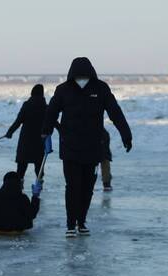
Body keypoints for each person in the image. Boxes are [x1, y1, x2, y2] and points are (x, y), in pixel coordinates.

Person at [42, 57, 132, 237]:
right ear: (72, 75)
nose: (81, 79)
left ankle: (81, 222)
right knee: (72, 186)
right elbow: (51, 112)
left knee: (87, 187)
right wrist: (46, 132)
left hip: (92, 147)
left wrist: (125, 134)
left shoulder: (100, 89)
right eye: (78, 76)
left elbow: (115, 111)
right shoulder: (63, 90)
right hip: (70, 147)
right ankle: (70, 223)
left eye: (84, 76)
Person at [5, 84, 47, 181]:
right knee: (39, 169)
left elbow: (18, 121)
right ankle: (38, 188)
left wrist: (10, 132)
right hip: (39, 142)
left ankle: (18, 188)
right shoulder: (45, 107)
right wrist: (63, 131)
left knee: (21, 169)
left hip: (25, 141)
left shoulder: (27, 105)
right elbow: (52, 122)